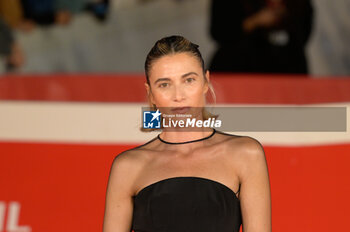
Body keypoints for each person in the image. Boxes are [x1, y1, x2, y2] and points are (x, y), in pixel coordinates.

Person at [103, 35, 272, 232]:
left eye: (189, 80)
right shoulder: (128, 167)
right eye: (164, 84)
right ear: (150, 93)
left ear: (206, 82)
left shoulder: (245, 154)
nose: (178, 96)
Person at [209, 0, 313, 74]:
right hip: (237, 70)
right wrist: (254, 22)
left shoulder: (300, 4)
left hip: (288, 74)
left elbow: (303, 35)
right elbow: (219, 32)